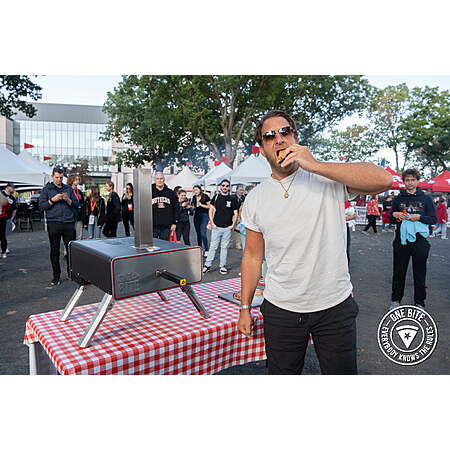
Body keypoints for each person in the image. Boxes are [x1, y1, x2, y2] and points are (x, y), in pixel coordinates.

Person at [237, 110, 391, 375]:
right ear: (262, 149)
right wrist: (244, 308)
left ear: (295, 138)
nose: (279, 139)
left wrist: (315, 165)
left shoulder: (327, 178)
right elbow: (252, 256)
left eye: (285, 132)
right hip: (281, 308)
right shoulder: (255, 198)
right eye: (269, 136)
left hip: (334, 306)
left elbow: (383, 180)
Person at [389, 169, 437, 311]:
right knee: (399, 271)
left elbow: (433, 219)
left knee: (420, 272)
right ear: (404, 182)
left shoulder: (426, 199)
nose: (410, 182)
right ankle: (396, 300)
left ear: (417, 181)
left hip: (420, 241)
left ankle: (420, 302)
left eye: (412, 180)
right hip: (401, 240)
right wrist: (395, 215)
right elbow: (391, 218)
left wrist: (419, 217)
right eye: (407, 180)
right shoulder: (398, 199)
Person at [39, 167, 79, 285]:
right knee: (55, 250)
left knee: (70, 249)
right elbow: (41, 206)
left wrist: (68, 200)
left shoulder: (68, 189)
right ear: (52, 176)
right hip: (54, 222)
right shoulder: (46, 189)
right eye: (57, 177)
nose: (59, 180)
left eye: (61, 178)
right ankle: (56, 276)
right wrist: (52, 200)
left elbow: (76, 204)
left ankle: (71, 273)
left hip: (68, 222)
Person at [203, 179, 240, 275]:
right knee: (213, 247)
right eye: (223, 185)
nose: (225, 187)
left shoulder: (233, 198)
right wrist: (212, 223)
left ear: (229, 187)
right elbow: (211, 210)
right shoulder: (216, 197)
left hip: (227, 228)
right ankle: (207, 265)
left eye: (227, 186)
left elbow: (236, 213)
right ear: (220, 186)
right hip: (216, 227)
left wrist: (233, 225)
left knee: (224, 248)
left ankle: (222, 266)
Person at [152, 172, 179, 241]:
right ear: (154, 180)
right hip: (152, 226)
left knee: (164, 245)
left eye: (161, 178)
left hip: (166, 226)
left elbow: (176, 208)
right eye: (157, 179)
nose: (159, 180)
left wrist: (174, 222)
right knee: (153, 245)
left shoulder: (171, 193)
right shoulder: (150, 192)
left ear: (164, 180)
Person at [191, 185, 211, 255]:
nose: (195, 191)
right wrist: (192, 207)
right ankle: (200, 248)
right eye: (194, 190)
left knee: (203, 233)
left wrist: (201, 205)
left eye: (196, 190)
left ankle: (207, 249)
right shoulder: (194, 197)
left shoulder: (205, 196)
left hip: (204, 215)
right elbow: (193, 206)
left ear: (200, 190)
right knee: (198, 234)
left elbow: (209, 206)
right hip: (196, 216)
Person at [0, 183, 17, 258]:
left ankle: (4, 250)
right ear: (8, 187)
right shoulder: (2, 195)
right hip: (3, 217)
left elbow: (14, 209)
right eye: (13, 188)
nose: (14, 189)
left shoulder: (12, 198)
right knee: (3, 235)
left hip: (5, 218)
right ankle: (4, 251)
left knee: (3, 235)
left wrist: (11, 218)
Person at [67, 175, 85, 240]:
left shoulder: (79, 191)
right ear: (72, 180)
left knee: (79, 234)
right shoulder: (68, 190)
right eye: (76, 179)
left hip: (79, 215)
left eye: (78, 179)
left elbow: (82, 202)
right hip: (71, 214)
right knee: (70, 234)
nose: (78, 181)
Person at [344, 200, 357, 264]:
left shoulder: (346, 203)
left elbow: (355, 215)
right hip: (337, 226)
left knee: (346, 247)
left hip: (344, 226)